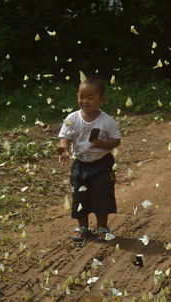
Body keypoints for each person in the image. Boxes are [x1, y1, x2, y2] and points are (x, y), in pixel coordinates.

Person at [58, 75, 121, 242]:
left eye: (90, 97)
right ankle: (83, 227)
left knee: (103, 195)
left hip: (102, 164)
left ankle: (102, 227)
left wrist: (102, 143)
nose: (84, 100)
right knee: (80, 196)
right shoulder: (72, 118)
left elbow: (116, 140)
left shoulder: (107, 121)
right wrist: (63, 149)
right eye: (81, 96)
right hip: (80, 164)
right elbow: (65, 137)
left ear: (102, 100)